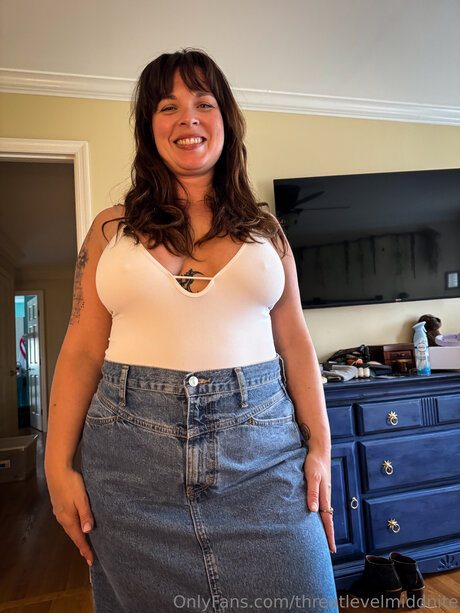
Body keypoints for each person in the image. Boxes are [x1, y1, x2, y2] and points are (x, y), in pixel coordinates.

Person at [44, 48, 338, 613]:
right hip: (129, 467)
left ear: (225, 118)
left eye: (204, 103)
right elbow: (80, 351)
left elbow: (296, 343)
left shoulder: (268, 232)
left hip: (263, 458)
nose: (188, 119)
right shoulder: (109, 230)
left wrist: (321, 448)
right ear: (148, 126)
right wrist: (57, 466)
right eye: (167, 106)